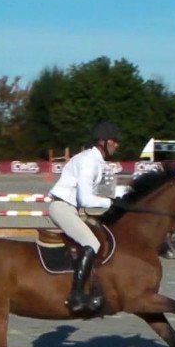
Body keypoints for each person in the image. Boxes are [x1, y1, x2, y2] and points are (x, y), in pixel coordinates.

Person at [48, 121, 121, 312]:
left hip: (73, 209)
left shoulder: (97, 161)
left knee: (102, 234)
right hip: (62, 208)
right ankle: (76, 295)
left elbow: (104, 191)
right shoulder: (89, 161)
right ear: (103, 142)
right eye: (114, 141)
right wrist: (112, 203)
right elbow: (86, 198)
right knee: (92, 244)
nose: (117, 144)